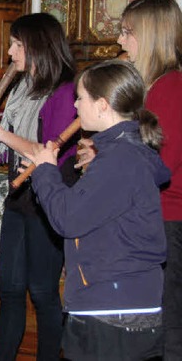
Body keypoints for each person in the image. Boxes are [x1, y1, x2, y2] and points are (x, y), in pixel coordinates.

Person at [0, 13, 78, 360]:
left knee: (42, 292)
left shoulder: (65, 91)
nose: (9, 52)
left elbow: (46, 150)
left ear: (37, 47)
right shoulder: (23, 87)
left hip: (48, 202)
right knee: (9, 289)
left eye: (16, 44)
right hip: (20, 199)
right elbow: (14, 149)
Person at [28, 60, 168, 361]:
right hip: (115, 303)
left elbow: (68, 218)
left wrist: (45, 171)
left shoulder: (121, 159)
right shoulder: (119, 154)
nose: (75, 105)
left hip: (114, 308)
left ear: (103, 105)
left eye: (80, 98)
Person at [78, 0, 182, 360]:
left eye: (127, 32)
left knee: (168, 326)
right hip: (149, 215)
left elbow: (156, 164)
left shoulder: (171, 87)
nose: (120, 42)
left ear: (151, 35)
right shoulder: (149, 87)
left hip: (169, 219)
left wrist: (105, 157)